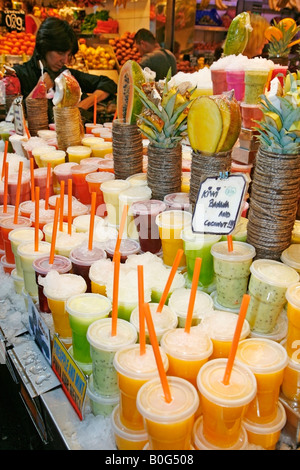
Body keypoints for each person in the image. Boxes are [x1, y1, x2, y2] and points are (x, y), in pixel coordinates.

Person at [13, 17, 117, 123]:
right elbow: (12, 119)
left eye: (68, 54)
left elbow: (107, 83)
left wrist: (82, 106)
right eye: (60, 53)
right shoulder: (18, 75)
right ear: (44, 47)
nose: (65, 60)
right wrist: (39, 90)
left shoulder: (64, 75)